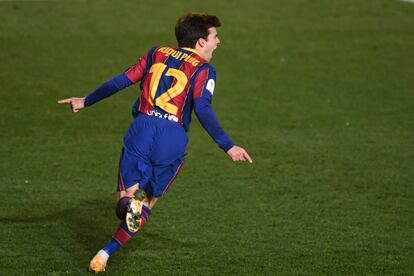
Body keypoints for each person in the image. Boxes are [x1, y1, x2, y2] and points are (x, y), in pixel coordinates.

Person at [58, 12, 252, 273]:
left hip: (142, 128)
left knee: (125, 203)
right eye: (215, 37)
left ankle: (119, 225)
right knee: (146, 204)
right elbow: (203, 108)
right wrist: (228, 145)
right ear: (200, 43)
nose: (218, 42)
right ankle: (104, 254)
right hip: (171, 138)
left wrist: (86, 100)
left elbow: (122, 80)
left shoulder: (156, 53)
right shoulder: (205, 70)